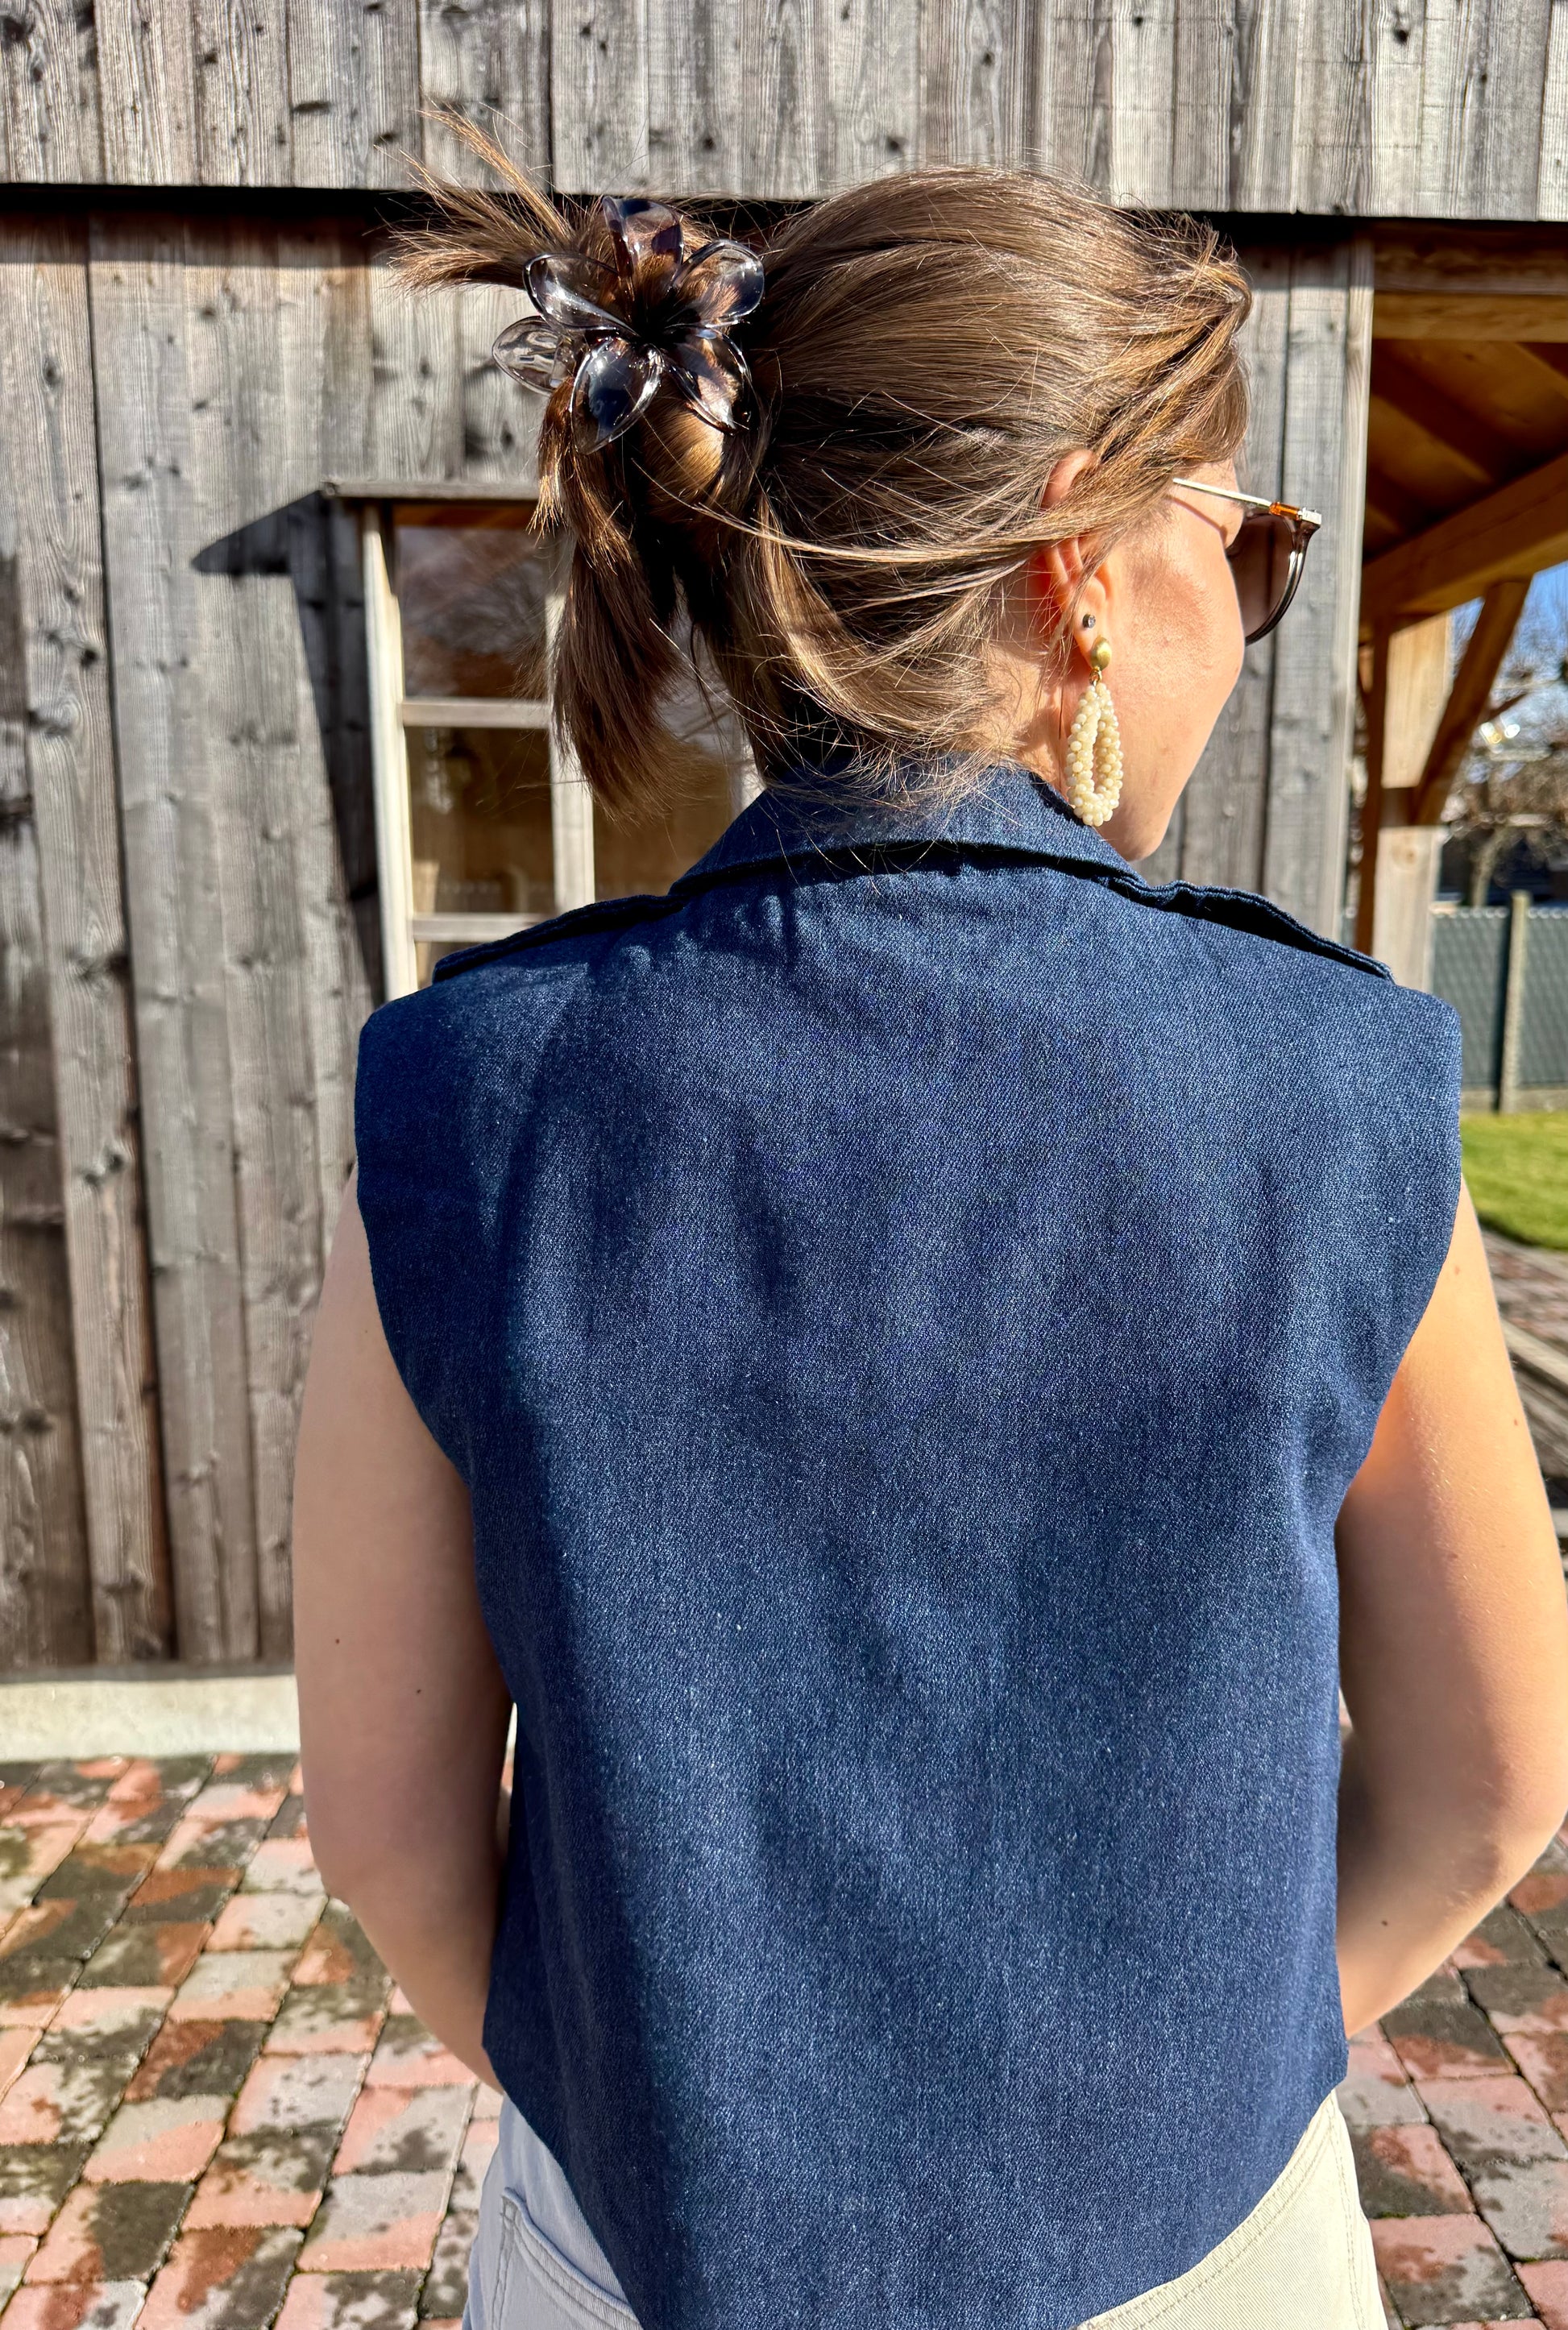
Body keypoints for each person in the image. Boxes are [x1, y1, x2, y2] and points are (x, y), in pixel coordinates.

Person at [292, 147, 1568, 2330]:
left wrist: (667, 2124)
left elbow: (393, 1841)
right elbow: (1491, 1785)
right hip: (1200, 2255)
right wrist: (1183, 2085)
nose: (1252, 608)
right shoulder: (1336, 1091)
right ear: (1081, 561)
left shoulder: (466, 1098)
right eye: (1250, 546)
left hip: (634, 2254)